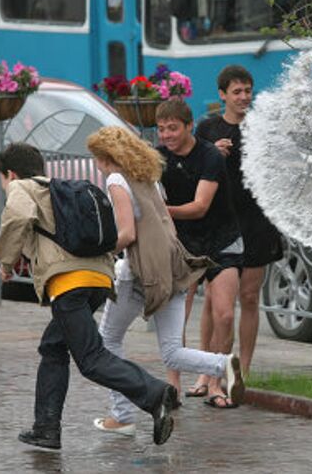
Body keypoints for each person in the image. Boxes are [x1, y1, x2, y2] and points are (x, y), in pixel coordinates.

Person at [0, 142, 177, 449]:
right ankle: (46, 428)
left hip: (70, 284)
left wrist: (5, 260)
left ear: (10, 174)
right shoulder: (59, 187)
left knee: (91, 359)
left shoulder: (22, 188)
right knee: (53, 347)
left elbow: (18, 217)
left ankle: (156, 394)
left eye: (2, 180)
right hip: (98, 280)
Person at [86, 126, 245, 435]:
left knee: (107, 342)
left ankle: (121, 416)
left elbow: (128, 234)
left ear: (106, 157)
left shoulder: (116, 180)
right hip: (172, 270)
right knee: (171, 351)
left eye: (97, 158)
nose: (96, 164)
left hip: (138, 276)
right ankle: (223, 364)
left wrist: (100, 252)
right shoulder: (150, 180)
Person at [187, 65, 283, 400]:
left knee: (250, 297)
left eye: (248, 91)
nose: (244, 97)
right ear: (223, 95)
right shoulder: (208, 128)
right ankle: (206, 369)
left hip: (256, 220)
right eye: (237, 91)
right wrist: (215, 153)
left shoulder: (263, 128)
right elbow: (194, 170)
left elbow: (277, 169)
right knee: (215, 300)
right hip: (219, 222)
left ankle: (242, 371)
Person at [156, 99, 244, 409]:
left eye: (173, 128)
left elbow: (200, 206)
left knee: (225, 313)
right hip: (183, 245)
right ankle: (173, 385)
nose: (167, 135)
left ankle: (215, 383)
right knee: (176, 317)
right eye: (162, 129)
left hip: (222, 238)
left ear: (189, 126)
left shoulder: (209, 155)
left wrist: (161, 212)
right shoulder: (159, 158)